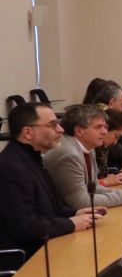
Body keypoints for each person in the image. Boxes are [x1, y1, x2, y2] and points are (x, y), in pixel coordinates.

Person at [0, 103, 102, 258]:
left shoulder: (31, 158)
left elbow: (50, 208)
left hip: (48, 248)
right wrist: (72, 223)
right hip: (26, 261)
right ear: (28, 132)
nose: (60, 130)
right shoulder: (11, 168)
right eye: (53, 125)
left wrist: (75, 212)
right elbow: (27, 227)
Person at [43, 104, 122, 210]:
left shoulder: (88, 146)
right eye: (98, 127)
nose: (104, 131)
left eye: (105, 127)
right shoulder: (68, 154)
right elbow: (80, 202)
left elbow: (94, 187)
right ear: (79, 131)